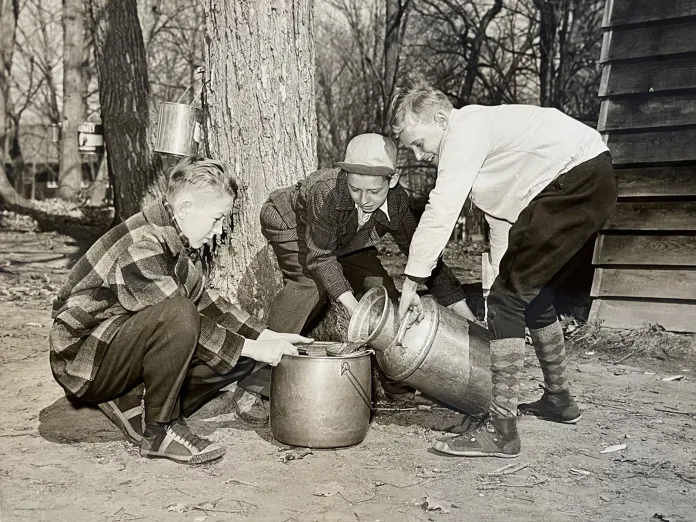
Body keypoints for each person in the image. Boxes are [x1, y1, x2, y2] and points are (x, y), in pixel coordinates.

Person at [390, 79, 617, 458]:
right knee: (525, 294)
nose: (417, 155)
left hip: (577, 179)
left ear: (441, 119)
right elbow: (504, 224)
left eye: (419, 142)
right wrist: (497, 300)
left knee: (508, 300)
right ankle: (559, 400)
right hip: (580, 181)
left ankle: (502, 433)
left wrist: (413, 279)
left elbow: (442, 208)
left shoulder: (464, 133)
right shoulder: (484, 144)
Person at [49, 156, 310, 465]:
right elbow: (183, 318)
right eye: (216, 218)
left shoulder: (170, 237)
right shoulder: (142, 245)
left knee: (238, 357)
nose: (219, 230)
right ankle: (159, 431)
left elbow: (208, 303)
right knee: (182, 316)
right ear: (185, 208)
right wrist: (254, 348)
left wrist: (269, 336)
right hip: (85, 362)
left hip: (117, 346)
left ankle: (132, 400)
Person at [259, 132, 473, 336]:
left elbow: (419, 253)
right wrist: (354, 309)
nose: (364, 199)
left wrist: (462, 310)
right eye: (355, 189)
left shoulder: (397, 202)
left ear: (393, 181)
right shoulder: (325, 192)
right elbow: (321, 257)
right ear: (345, 176)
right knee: (311, 286)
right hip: (292, 221)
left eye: (374, 191)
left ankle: (384, 357)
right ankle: (266, 352)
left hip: (346, 237)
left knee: (382, 292)